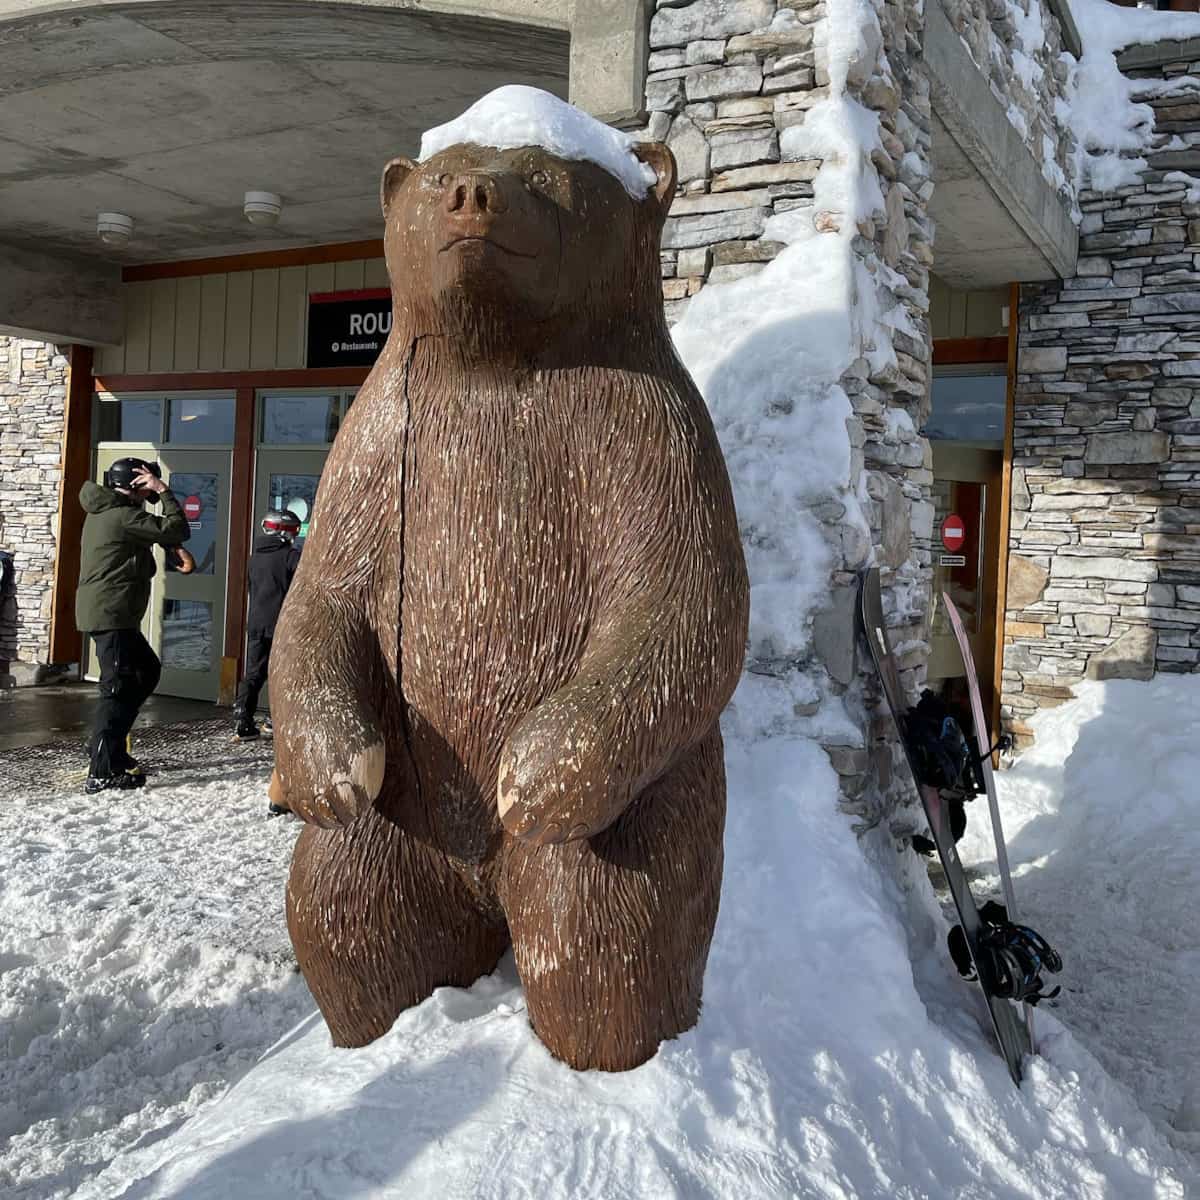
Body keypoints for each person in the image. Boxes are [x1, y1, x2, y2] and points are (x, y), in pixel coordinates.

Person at [76, 457, 190, 793]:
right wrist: (163, 491)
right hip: (111, 614)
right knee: (116, 688)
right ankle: (101, 769)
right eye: (148, 480)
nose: (151, 485)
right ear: (136, 485)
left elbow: (149, 545)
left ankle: (108, 746)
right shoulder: (122, 516)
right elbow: (177, 528)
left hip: (116, 614)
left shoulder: (113, 513)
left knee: (145, 672)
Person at [233, 508, 302, 743]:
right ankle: (275, 719)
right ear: (283, 531)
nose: (295, 534)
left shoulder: (255, 557)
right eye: (293, 529)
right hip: (281, 623)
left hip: (256, 622)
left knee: (254, 672)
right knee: (282, 672)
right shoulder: (290, 556)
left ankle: (243, 719)